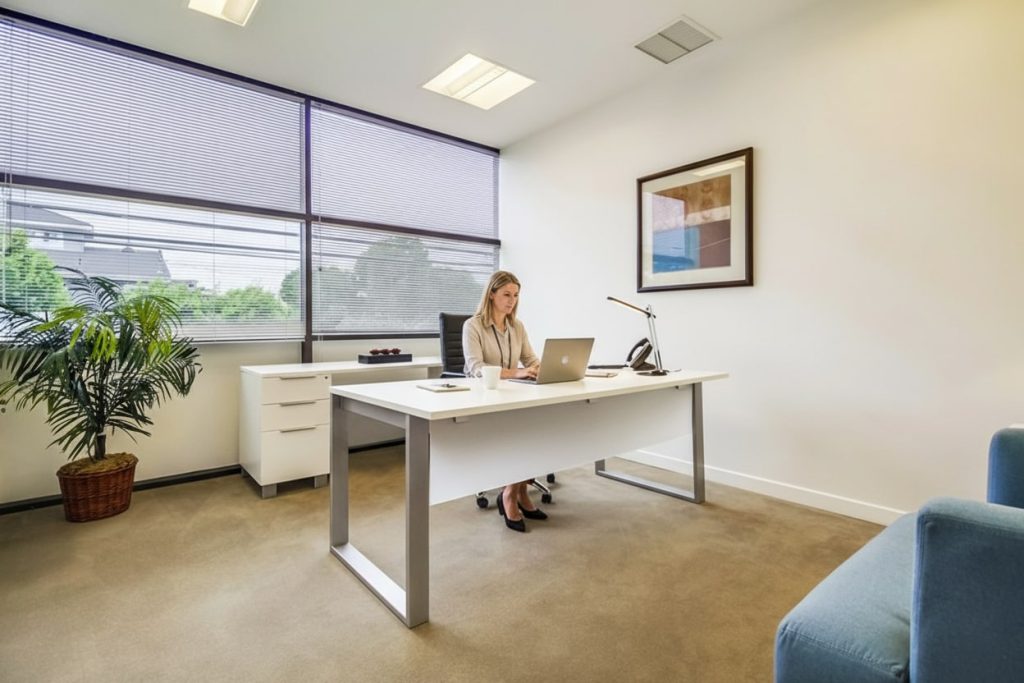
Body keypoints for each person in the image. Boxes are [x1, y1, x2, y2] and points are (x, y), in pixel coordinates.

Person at [462, 270, 546, 532]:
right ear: (492, 294)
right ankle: (510, 494)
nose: (512, 301)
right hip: (482, 396)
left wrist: (540, 367)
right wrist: (518, 372)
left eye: (516, 295)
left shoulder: (517, 327)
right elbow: (476, 367)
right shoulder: (472, 326)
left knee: (541, 424)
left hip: (512, 394)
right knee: (519, 431)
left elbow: (530, 359)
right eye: (507, 294)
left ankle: (520, 491)